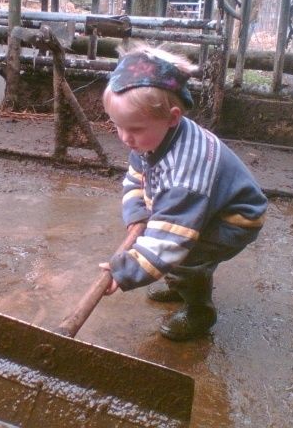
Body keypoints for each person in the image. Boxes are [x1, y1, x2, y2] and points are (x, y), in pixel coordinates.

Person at [100, 44, 268, 341]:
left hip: (234, 218)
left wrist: (126, 270)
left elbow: (170, 239)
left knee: (184, 257)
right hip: (201, 205)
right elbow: (136, 177)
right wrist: (138, 213)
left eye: (134, 129)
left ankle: (199, 310)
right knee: (166, 252)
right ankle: (178, 282)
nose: (125, 138)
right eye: (117, 126)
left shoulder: (184, 175)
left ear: (173, 117)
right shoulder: (150, 138)